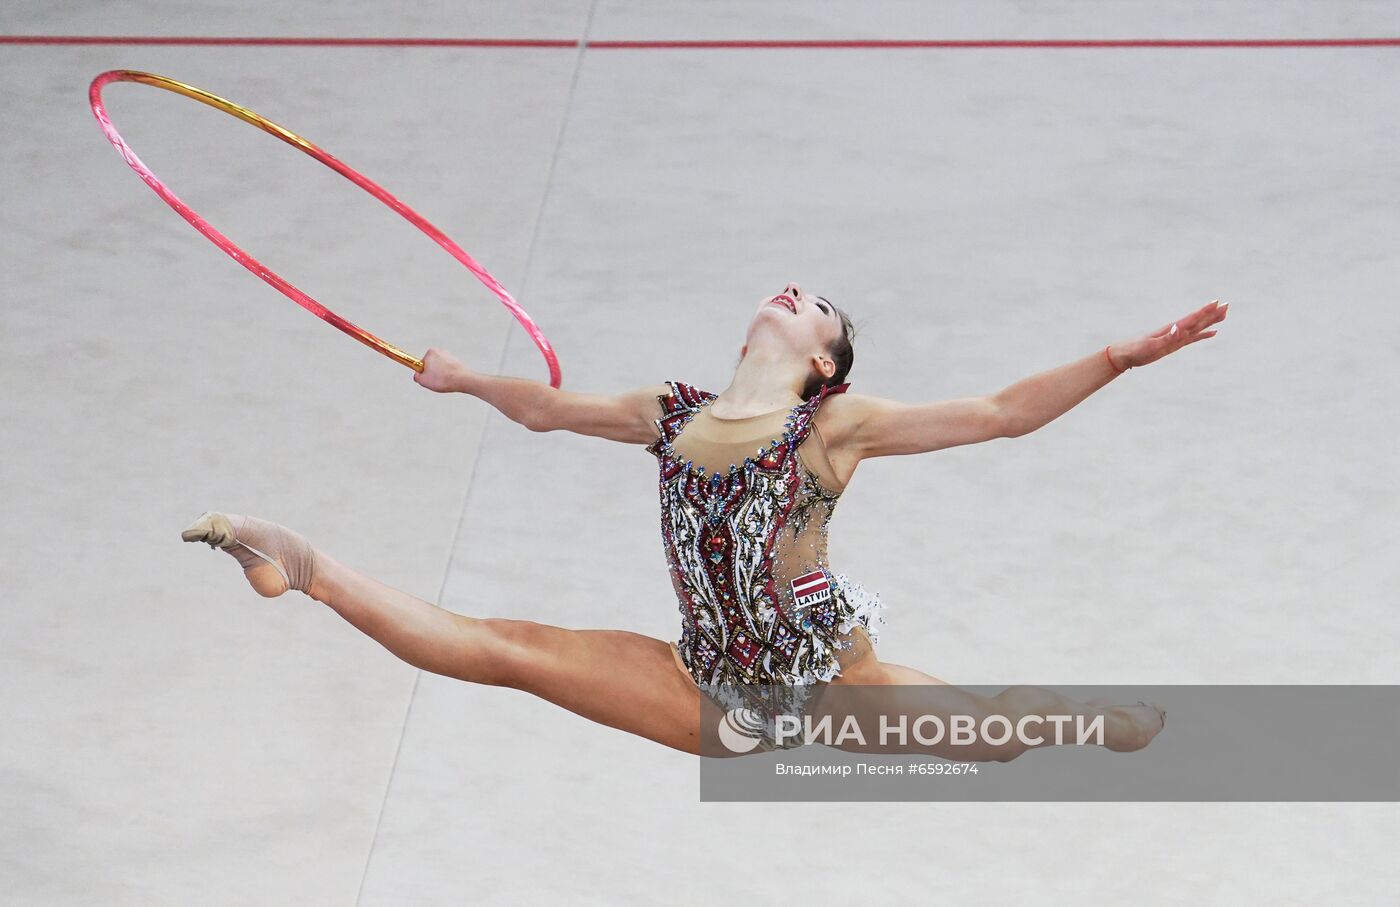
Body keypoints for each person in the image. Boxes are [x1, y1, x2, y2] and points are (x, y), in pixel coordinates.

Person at [182, 283, 1226, 758]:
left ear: (820, 359)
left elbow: (999, 416)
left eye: (814, 305)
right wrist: (461, 380)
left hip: (831, 684)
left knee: (991, 737)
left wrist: (1116, 359)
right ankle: (296, 556)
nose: (792, 294)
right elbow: (546, 410)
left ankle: (1082, 722)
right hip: (702, 685)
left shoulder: (832, 423)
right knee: (494, 649)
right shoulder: (667, 415)